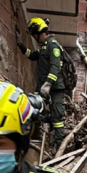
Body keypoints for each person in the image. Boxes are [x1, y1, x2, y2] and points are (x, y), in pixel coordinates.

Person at [19, 17, 69, 150]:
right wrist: (22, 47)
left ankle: (59, 147)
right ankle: (37, 140)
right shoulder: (44, 47)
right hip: (43, 88)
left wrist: (48, 84)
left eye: (35, 35)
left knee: (57, 118)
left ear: (39, 32)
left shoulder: (53, 45)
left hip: (55, 88)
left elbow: (55, 67)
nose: (35, 38)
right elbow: (34, 55)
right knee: (36, 111)